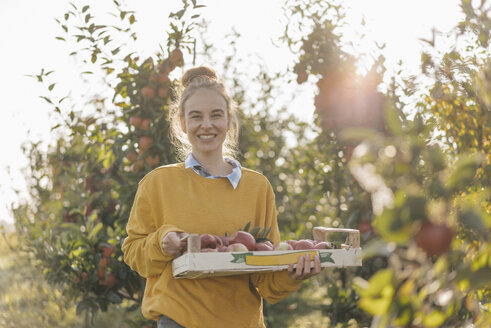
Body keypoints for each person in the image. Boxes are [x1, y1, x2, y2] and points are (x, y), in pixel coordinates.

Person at [121, 65, 323, 328]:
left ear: (228, 119)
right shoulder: (158, 183)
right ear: (182, 123)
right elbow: (133, 253)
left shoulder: (257, 187)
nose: (206, 125)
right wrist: (163, 242)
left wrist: (294, 275)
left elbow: (266, 278)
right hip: (180, 320)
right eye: (196, 117)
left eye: (216, 115)